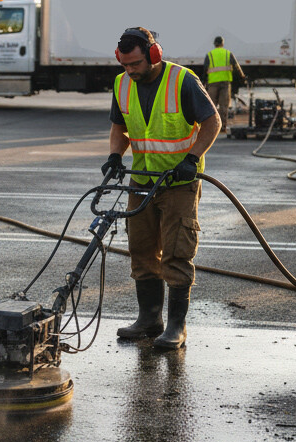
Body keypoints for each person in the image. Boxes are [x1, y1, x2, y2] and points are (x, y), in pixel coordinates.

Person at [101, 27, 221, 350]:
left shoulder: (182, 81)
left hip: (178, 183)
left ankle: (177, 326)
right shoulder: (122, 84)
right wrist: (115, 154)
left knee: (177, 251)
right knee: (140, 249)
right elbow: (120, 126)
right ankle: (149, 319)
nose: (130, 71)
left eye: (136, 64)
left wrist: (193, 157)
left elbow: (213, 122)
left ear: (154, 55)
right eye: (125, 65)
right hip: (141, 181)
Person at [202, 36, 246, 133]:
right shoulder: (228, 54)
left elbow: (205, 70)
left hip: (212, 83)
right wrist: (242, 77)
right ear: (222, 43)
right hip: (225, 83)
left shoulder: (210, 55)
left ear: (214, 44)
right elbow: (237, 67)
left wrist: (203, 83)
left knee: (212, 106)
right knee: (224, 106)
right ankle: (223, 127)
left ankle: (212, 128)